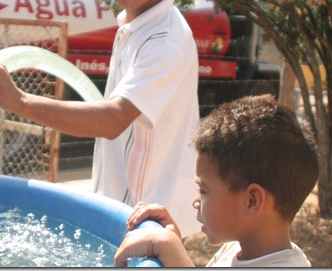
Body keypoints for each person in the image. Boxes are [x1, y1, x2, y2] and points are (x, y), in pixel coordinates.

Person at [0, 0, 200, 236]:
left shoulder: (164, 41)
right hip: (123, 208)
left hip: (144, 217)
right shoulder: (136, 22)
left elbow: (113, 120)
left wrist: (19, 101)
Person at [114, 94, 319, 267]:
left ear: (252, 201)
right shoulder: (237, 249)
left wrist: (170, 249)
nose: (195, 201)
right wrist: (176, 246)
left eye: (203, 190)